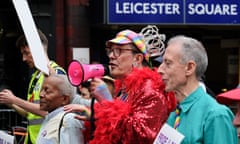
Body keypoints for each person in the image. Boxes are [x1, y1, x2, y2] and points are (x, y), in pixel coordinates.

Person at [65, 28, 176, 143]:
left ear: (137, 58)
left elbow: (141, 135)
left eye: (119, 50)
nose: (111, 56)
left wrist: (107, 102)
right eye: (111, 51)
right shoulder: (125, 88)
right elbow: (117, 127)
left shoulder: (150, 88)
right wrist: (95, 115)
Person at [158, 35, 238, 143]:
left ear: (190, 68)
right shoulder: (175, 112)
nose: (160, 70)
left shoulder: (216, 115)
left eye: (168, 63)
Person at [0, 29, 65, 144]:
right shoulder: (36, 76)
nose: (24, 59)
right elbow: (29, 113)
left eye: (26, 53)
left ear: (38, 50)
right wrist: (9, 102)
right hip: (34, 139)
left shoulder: (56, 73)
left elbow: (47, 112)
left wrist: (15, 100)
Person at [36, 74, 84, 144]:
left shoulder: (68, 120)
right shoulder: (51, 117)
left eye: (47, 91)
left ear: (64, 99)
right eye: (41, 90)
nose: (41, 94)